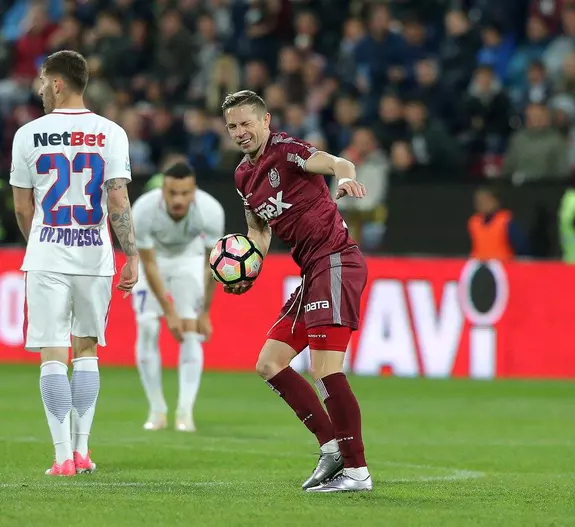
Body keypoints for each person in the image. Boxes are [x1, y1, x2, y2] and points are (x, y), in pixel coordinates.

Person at [222, 90, 372, 492]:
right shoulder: (242, 176)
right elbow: (259, 229)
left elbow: (338, 162)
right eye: (232, 126)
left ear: (266, 121)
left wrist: (346, 178)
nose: (240, 132)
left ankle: (357, 472)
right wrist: (248, 267)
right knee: (269, 363)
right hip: (312, 272)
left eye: (246, 123)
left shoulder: (288, 151)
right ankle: (331, 449)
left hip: (337, 259)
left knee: (326, 370)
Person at [9, 50, 138, 476]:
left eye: (44, 81)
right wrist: (131, 254)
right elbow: (117, 197)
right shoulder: (112, 132)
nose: (40, 89)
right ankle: (83, 451)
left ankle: (62, 456)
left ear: (58, 82)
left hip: (47, 253)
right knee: (86, 351)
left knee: (52, 353)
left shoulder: (27, 134)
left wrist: (40, 244)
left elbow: (24, 208)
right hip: (94, 257)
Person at [131, 161, 225, 432]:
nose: (178, 199)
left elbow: (211, 264)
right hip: (155, 261)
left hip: (189, 259)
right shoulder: (144, 210)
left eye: (185, 193)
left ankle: (185, 412)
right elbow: (148, 264)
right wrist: (168, 312)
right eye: (172, 193)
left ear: (194, 190)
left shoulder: (210, 211)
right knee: (148, 326)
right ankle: (157, 409)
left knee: (191, 331)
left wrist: (205, 312)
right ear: (163, 190)